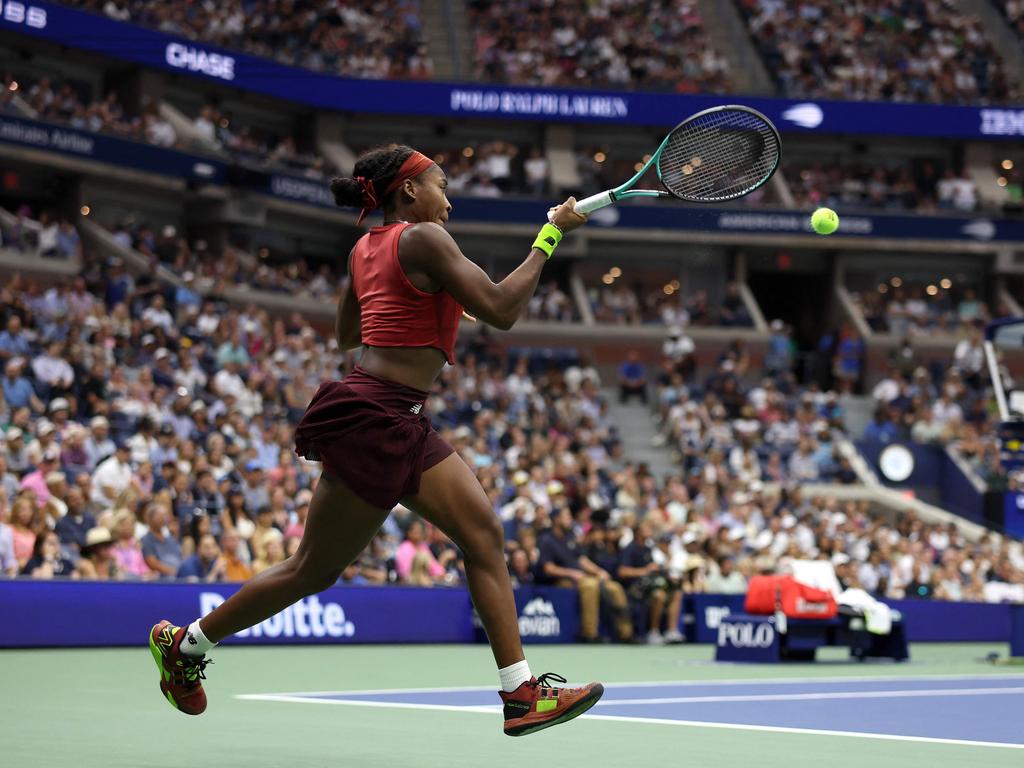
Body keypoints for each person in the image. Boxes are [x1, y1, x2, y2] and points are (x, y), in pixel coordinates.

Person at [148, 144, 602, 734]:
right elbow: (501, 309)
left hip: (401, 415)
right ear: (409, 191)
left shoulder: (366, 247)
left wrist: (428, 303)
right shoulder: (425, 240)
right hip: (375, 419)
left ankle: (519, 693)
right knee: (311, 570)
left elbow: (347, 330)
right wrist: (550, 236)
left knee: (484, 536)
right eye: (441, 184)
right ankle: (185, 647)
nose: (449, 198)